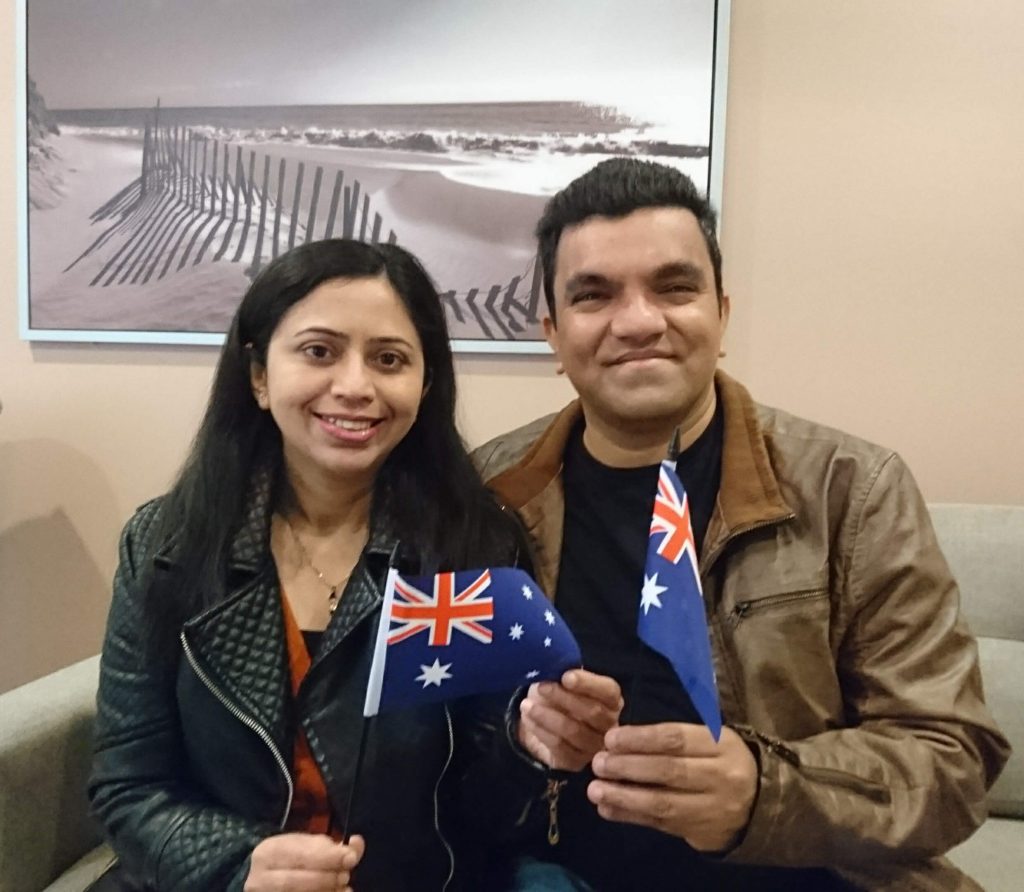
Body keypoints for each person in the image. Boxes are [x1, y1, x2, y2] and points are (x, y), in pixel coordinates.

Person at [474, 157, 1011, 891]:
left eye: (674, 287)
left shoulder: (852, 489)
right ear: (553, 334)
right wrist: (519, 730)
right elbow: (436, 724)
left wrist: (766, 792)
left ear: (721, 314)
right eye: (594, 295)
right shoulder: (488, 490)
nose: (637, 321)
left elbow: (951, 762)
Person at [88, 239, 532, 891]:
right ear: (259, 375)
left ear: (425, 383)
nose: (354, 387)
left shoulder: (472, 548)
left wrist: (533, 745)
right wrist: (240, 866)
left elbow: (485, 810)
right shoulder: (165, 545)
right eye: (319, 351)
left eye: (389, 359)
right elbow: (127, 786)